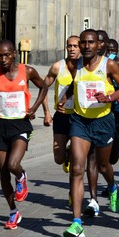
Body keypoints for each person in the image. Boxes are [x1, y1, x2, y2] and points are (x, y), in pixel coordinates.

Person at [61, 29, 119, 237]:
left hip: (103, 121)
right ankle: (77, 222)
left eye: (90, 42)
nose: (86, 46)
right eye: (83, 43)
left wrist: (109, 97)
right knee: (77, 168)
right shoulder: (75, 65)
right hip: (80, 121)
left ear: (98, 45)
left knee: (103, 165)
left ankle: (113, 186)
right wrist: (66, 97)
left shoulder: (109, 65)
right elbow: (74, 84)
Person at [0, 40, 47, 229]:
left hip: (21, 125)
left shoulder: (28, 71)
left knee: (12, 164)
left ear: (14, 54)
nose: (3, 59)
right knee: (2, 172)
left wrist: (34, 108)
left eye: (7, 55)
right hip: (1, 126)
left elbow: (44, 86)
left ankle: (21, 175)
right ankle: (13, 212)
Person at [42, 35, 80, 170]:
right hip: (61, 116)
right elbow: (43, 88)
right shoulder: (58, 67)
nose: (72, 49)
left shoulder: (85, 68)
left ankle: (73, 189)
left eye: (75, 46)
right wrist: (46, 112)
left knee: (77, 159)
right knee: (58, 159)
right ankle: (67, 153)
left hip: (78, 117)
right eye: (69, 46)